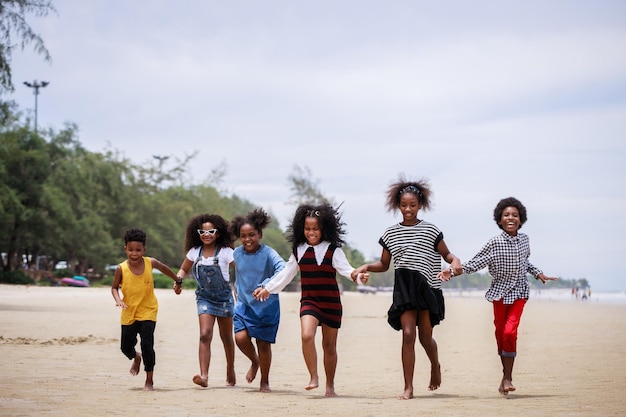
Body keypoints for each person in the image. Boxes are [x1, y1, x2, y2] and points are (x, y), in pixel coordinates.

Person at [353, 178, 461, 400]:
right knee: (408, 334)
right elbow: (383, 264)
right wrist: (366, 266)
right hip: (404, 288)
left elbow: (447, 255)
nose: (408, 209)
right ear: (398, 205)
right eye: (404, 205)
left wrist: (455, 261)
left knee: (425, 338)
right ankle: (408, 387)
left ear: (420, 205)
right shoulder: (390, 234)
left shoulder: (431, 230)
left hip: (428, 287)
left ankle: (435, 365)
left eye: (412, 205)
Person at [438, 197, 558, 395]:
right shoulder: (494, 243)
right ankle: (505, 376)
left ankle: (508, 378)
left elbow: (525, 261)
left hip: (520, 291)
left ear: (521, 219)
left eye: (515, 215)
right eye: (506, 215)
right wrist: (451, 271)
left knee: (510, 332)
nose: (511, 218)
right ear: (500, 220)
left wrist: (538, 273)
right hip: (499, 293)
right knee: (501, 335)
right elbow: (474, 264)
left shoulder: (525, 240)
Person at [253, 203, 370, 397]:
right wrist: (268, 288)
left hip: (331, 303)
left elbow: (347, 270)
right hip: (310, 301)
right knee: (307, 336)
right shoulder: (298, 250)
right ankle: (314, 376)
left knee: (329, 346)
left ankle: (330, 385)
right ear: (302, 228)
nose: (311, 232)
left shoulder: (334, 250)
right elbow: (286, 274)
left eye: (315, 228)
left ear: (324, 228)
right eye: (307, 228)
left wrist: (358, 277)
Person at [110, 228, 182, 391]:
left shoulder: (151, 262)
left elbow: (164, 269)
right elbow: (114, 288)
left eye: (138, 250)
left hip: (148, 311)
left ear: (144, 250)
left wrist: (178, 280)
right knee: (125, 347)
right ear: (125, 249)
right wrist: (118, 299)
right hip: (129, 312)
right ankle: (136, 357)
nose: (134, 254)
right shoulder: (121, 269)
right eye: (130, 250)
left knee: (147, 345)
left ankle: (149, 380)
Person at [229, 208, 286, 393]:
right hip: (243, 306)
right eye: (243, 236)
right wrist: (236, 292)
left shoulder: (269, 253)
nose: (247, 239)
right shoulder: (236, 253)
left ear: (259, 234)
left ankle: (265, 381)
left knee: (263, 344)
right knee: (240, 338)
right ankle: (254, 362)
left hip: (266, 308)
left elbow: (283, 268)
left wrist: (267, 285)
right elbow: (239, 276)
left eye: (252, 235)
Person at [177, 214, 236, 388]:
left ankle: (230, 368)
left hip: (225, 298)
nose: (207, 234)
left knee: (226, 337)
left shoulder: (226, 252)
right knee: (205, 334)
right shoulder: (194, 252)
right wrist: (178, 280)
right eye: (202, 231)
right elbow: (183, 269)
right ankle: (204, 376)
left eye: (211, 231)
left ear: (218, 233)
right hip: (204, 297)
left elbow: (242, 269)